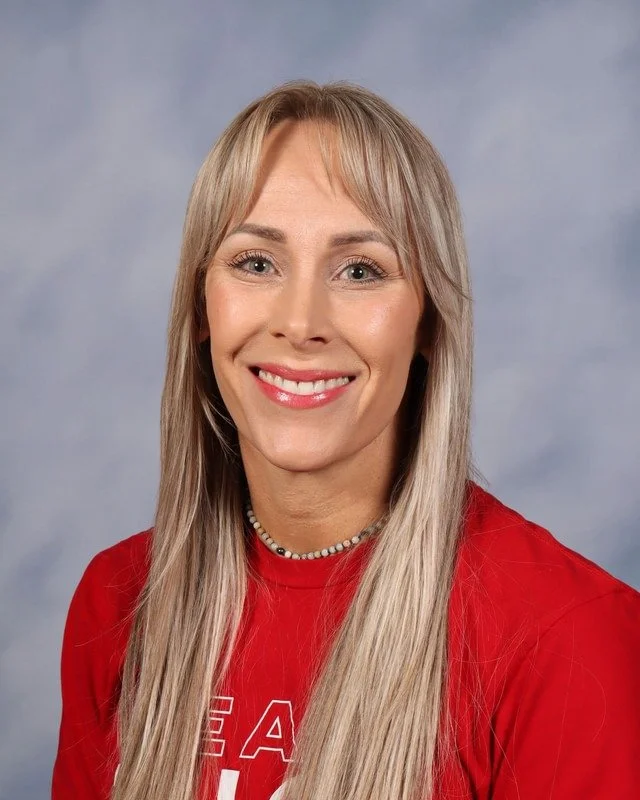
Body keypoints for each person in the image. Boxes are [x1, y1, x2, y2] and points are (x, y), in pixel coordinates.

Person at [52, 80, 640, 800]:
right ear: (201, 304)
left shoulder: (567, 637)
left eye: (360, 270)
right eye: (256, 262)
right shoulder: (118, 605)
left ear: (427, 321)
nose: (301, 322)